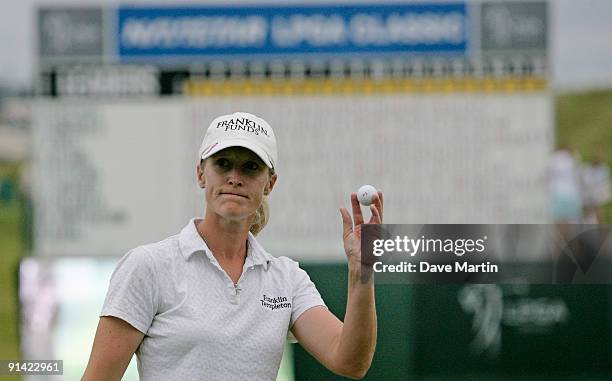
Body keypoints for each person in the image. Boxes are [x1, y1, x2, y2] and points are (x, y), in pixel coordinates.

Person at [82, 112, 382, 381]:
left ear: (270, 183)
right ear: (201, 173)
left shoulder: (286, 278)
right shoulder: (148, 265)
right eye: (223, 164)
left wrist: (362, 270)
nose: (235, 178)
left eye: (250, 167)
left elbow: (350, 361)